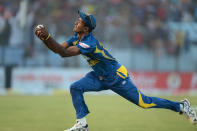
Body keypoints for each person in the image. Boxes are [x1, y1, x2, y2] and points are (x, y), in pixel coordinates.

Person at [34, 11, 197, 131]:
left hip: (116, 76)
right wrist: (44, 39)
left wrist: (48, 37)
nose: (76, 22)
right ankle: (82, 124)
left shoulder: (89, 42)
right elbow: (59, 51)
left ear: (86, 28)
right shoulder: (77, 38)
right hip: (99, 76)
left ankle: (181, 106)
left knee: (144, 103)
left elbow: (64, 53)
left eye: (80, 21)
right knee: (75, 87)